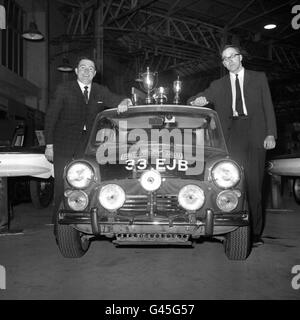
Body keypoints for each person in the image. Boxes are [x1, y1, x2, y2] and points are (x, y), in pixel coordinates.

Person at [188, 44, 277, 246]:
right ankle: (232, 228)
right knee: (232, 183)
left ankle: (255, 233)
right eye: (225, 59)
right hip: (231, 137)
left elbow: (268, 107)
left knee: (254, 185)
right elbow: (195, 98)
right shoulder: (218, 85)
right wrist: (197, 101)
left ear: (240, 58)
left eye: (232, 57)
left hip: (256, 133)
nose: (229, 61)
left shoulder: (258, 78)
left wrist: (271, 133)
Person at [44, 57, 130, 220]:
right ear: (76, 71)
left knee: (88, 182)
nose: (86, 71)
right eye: (82, 68)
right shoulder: (64, 89)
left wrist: (125, 101)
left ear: (95, 73)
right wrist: (49, 145)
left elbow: (117, 99)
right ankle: (59, 222)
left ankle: (84, 218)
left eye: (90, 69)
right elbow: (50, 118)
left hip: (87, 146)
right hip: (63, 144)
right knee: (62, 184)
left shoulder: (99, 90)